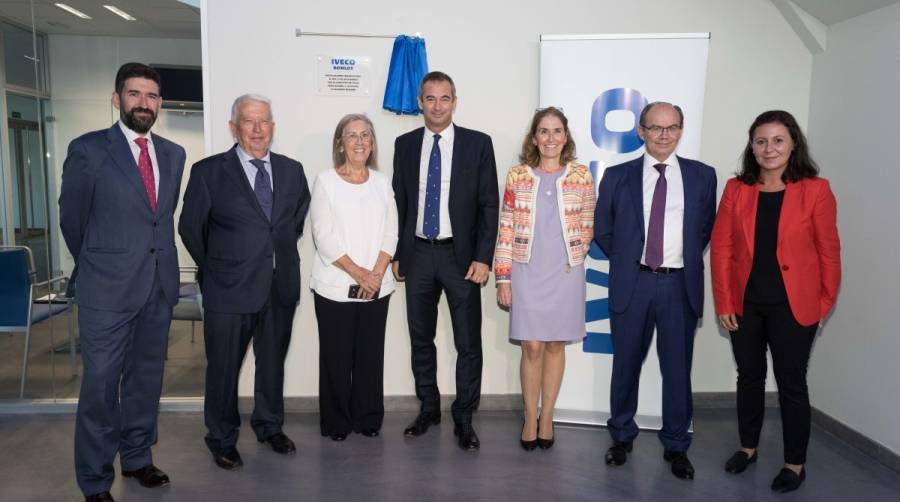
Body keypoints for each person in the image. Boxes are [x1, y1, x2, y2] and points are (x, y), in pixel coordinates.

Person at [60, 62, 186, 502]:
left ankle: (136, 459)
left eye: (151, 96)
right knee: (100, 385)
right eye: (134, 94)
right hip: (106, 291)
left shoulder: (173, 154)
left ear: (160, 104)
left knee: (145, 381)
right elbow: (72, 220)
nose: (143, 104)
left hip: (157, 288)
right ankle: (95, 481)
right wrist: (100, 264)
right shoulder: (89, 150)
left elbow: (160, 220)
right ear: (117, 99)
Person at [178, 94, 311, 470]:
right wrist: (219, 267)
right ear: (233, 127)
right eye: (249, 121)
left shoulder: (292, 170)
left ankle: (269, 426)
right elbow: (190, 229)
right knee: (223, 369)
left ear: (272, 126)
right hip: (227, 289)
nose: (257, 129)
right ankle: (221, 438)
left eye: (264, 121)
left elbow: (292, 223)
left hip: (279, 286)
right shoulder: (208, 172)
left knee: (272, 365)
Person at [711, 110, 841, 493]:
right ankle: (747, 448)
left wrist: (822, 306)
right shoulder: (737, 189)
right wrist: (723, 302)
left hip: (795, 307)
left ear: (793, 144)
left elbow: (829, 253)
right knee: (748, 378)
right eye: (761, 141)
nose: (769, 149)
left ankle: (794, 464)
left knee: (791, 384)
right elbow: (722, 249)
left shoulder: (816, 190)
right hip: (744, 305)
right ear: (752, 146)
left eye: (778, 140)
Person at [594, 101, 717, 479]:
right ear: (641, 131)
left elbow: (704, 230)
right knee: (626, 365)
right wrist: (633, 258)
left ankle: (677, 445)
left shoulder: (703, 176)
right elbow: (603, 231)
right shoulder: (617, 176)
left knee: (677, 371)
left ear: (681, 130)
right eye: (656, 127)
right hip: (634, 283)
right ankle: (622, 436)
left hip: (679, 285)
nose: (664, 135)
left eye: (672, 127)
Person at [392, 71, 499, 450]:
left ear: (455, 102)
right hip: (418, 254)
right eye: (430, 98)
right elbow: (399, 203)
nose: (437, 106)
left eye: (445, 98)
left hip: (462, 257)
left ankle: (465, 417)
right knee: (422, 339)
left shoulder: (478, 144)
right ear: (420, 102)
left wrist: (484, 258)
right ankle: (428, 408)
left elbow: (489, 204)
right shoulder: (404, 145)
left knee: (468, 342)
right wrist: (397, 253)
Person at [495, 107, 595, 451]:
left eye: (556, 131)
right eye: (543, 131)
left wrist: (576, 256)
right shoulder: (518, 176)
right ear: (534, 138)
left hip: (565, 273)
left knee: (554, 344)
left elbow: (587, 222)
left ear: (565, 137)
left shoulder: (581, 175)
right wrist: (503, 279)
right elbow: (506, 227)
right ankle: (529, 416)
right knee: (532, 345)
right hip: (526, 270)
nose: (550, 138)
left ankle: (547, 417)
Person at [310, 114, 398, 441]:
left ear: (372, 143)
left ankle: (368, 418)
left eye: (366, 135)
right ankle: (336, 422)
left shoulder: (381, 182)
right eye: (351, 135)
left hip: (377, 284)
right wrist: (360, 273)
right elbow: (324, 235)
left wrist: (375, 274)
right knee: (336, 356)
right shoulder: (325, 181)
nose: (360, 141)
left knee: (370, 355)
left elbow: (392, 231)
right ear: (340, 143)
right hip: (335, 286)